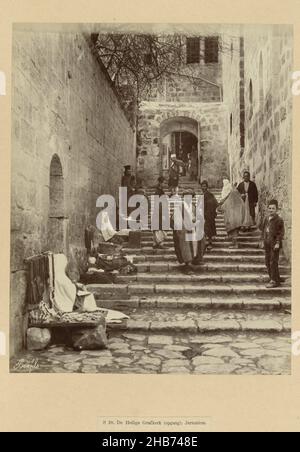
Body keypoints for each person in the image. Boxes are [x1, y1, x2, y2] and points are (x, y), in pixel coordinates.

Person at [260, 199, 285, 288]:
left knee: (273, 261)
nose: (271, 210)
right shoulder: (266, 219)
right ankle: (275, 278)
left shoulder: (279, 220)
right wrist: (262, 241)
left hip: (275, 244)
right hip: (267, 243)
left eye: (273, 208)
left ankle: (273, 281)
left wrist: (278, 243)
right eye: (269, 208)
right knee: (267, 261)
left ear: (276, 209)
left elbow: (280, 233)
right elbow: (263, 230)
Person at [171, 190, 197, 274]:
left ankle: (191, 262)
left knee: (193, 246)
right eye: (186, 197)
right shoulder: (180, 207)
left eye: (190, 197)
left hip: (192, 229)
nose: (188, 199)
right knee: (185, 248)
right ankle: (187, 266)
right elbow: (175, 218)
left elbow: (196, 216)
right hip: (183, 230)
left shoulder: (193, 206)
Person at [218, 178, 245, 249]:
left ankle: (235, 244)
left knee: (233, 232)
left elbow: (222, 207)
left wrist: (221, 205)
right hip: (235, 217)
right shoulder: (235, 194)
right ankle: (234, 243)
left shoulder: (233, 194)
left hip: (233, 218)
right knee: (234, 231)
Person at [201, 180, 218, 251]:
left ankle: (210, 244)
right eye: (202, 186)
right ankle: (206, 243)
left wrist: (212, 212)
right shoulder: (203, 195)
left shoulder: (210, 195)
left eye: (205, 186)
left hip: (209, 215)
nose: (203, 187)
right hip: (205, 215)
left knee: (209, 229)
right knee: (206, 229)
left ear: (207, 187)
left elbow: (215, 203)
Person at [152, 176, 168, 249]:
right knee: (159, 227)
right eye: (164, 183)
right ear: (160, 183)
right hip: (159, 211)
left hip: (159, 211)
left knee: (158, 227)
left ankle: (156, 243)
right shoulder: (158, 191)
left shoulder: (160, 191)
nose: (165, 184)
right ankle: (159, 243)